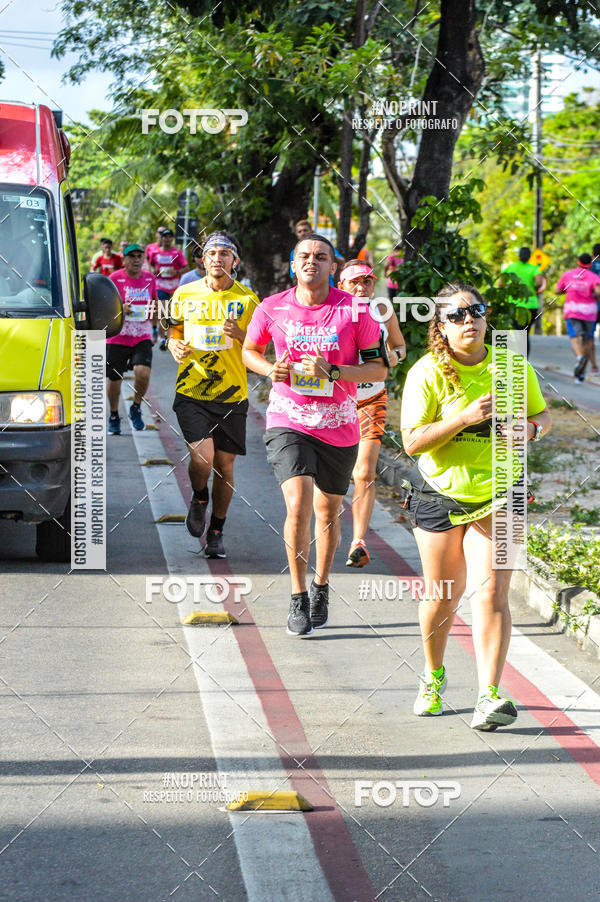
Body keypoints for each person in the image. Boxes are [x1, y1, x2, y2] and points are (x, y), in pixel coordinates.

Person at [400, 283, 551, 729]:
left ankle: (489, 694)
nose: (469, 321)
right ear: (441, 328)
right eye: (457, 316)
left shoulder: (510, 367)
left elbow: (541, 416)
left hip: (501, 495)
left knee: (491, 593)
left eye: (477, 312)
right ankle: (433, 675)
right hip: (440, 494)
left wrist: (529, 431)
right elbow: (412, 443)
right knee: (442, 595)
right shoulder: (427, 373)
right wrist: (465, 417)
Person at [243, 234, 386, 637]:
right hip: (289, 419)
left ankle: (321, 585)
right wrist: (269, 369)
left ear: (332, 267)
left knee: (328, 511)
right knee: (299, 502)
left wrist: (336, 372)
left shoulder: (355, 312)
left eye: (320, 257)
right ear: (293, 265)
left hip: (339, 424)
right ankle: (297, 595)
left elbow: (378, 370)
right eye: (304, 256)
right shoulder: (273, 308)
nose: (312, 262)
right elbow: (250, 350)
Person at [167, 231, 260, 558]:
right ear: (203, 260)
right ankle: (199, 496)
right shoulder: (184, 293)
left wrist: (242, 333)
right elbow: (174, 328)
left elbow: (262, 345)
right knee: (202, 458)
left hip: (232, 393)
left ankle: (217, 530)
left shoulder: (248, 300)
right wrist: (172, 342)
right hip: (192, 388)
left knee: (225, 465)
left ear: (235, 261)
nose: (217, 259)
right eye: (211, 254)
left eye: (224, 254)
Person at [337, 259, 406, 567]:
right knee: (333, 477)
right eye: (354, 282)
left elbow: (400, 348)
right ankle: (328, 528)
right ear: (341, 285)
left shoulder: (382, 311)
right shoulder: (330, 311)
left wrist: (392, 356)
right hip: (334, 403)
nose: (361, 287)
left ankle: (358, 542)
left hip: (371, 399)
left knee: (363, 471)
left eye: (366, 281)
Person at [106, 244, 158, 434]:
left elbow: (154, 304)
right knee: (115, 379)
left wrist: (156, 329)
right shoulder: (114, 278)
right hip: (118, 335)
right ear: (124, 260)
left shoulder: (149, 278)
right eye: (132, 256)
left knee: (143, 373)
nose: (136, 260)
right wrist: (120, 308)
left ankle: (136, 407)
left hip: (141, 334)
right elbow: (105, 307)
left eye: (139, 256)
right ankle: (113, 415)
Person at [556, 253, 600, 383]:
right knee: (587, 340)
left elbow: (557, 290)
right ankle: (581, 374)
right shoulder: (593, 277)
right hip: (589, 312)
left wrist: (567, 291)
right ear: (590, 264)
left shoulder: (568, 275)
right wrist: (595, 296)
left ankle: (580, 358)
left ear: (578, 262)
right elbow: (598, 292)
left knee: (574, 338)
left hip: (572, 310)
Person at [148, 228, 188, 350]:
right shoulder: (155, 253)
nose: (167, 239)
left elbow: (185, 268)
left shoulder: (177, 253)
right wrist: (153, 270)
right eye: (165, 237)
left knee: (174, 314)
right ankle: (162, 338)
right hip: (160, 285)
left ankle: (173, 336)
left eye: (170, 237)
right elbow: (150, 265)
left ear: (172, 239)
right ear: (162, 238)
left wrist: (175, 271)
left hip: (175, 286)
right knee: (163, 312)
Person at [501, 246, 544, 355]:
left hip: (514, 305)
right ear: (530, 257)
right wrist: (534, 288)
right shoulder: (534, 268)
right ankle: (523, 360)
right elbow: (539, 282)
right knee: (524, 333)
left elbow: (501, 284)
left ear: (519, 255)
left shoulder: (511, 267)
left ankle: (517, 359)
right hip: (531, 305)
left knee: (518, 333)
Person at [289, 219, 343, 286]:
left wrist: (328, 256)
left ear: (312, 231)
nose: (311, 261)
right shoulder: (294, 252)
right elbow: (294, 275)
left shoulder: (325, 247)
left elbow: (342, 262)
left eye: (305, 230)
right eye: (304, 256)